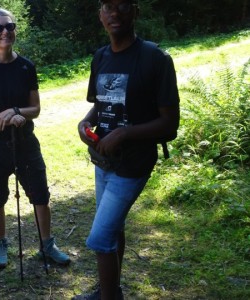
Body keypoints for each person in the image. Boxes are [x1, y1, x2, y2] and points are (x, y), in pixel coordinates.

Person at [73, 0, 180, 299]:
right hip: (102, 161)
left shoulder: (154, 58)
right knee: (114, 228)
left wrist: (124, 134)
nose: (114, 13)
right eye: (107, 6)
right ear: (100, 15)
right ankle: (112, 290)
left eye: (122, 5)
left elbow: (170, 124)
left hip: (133, 163)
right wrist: (85, 123)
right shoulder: (100, 57)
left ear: (135, 12)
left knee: (100, 237)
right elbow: (100, 104)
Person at [0, 8, 71, 269]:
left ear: (15, 30)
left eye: (9, 26)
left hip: (25, 143)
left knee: (40, 195)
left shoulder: (26, 66)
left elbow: (35, 109)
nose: (5, 32)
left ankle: (47, 245)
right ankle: (0, 243)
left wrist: (14, 112)